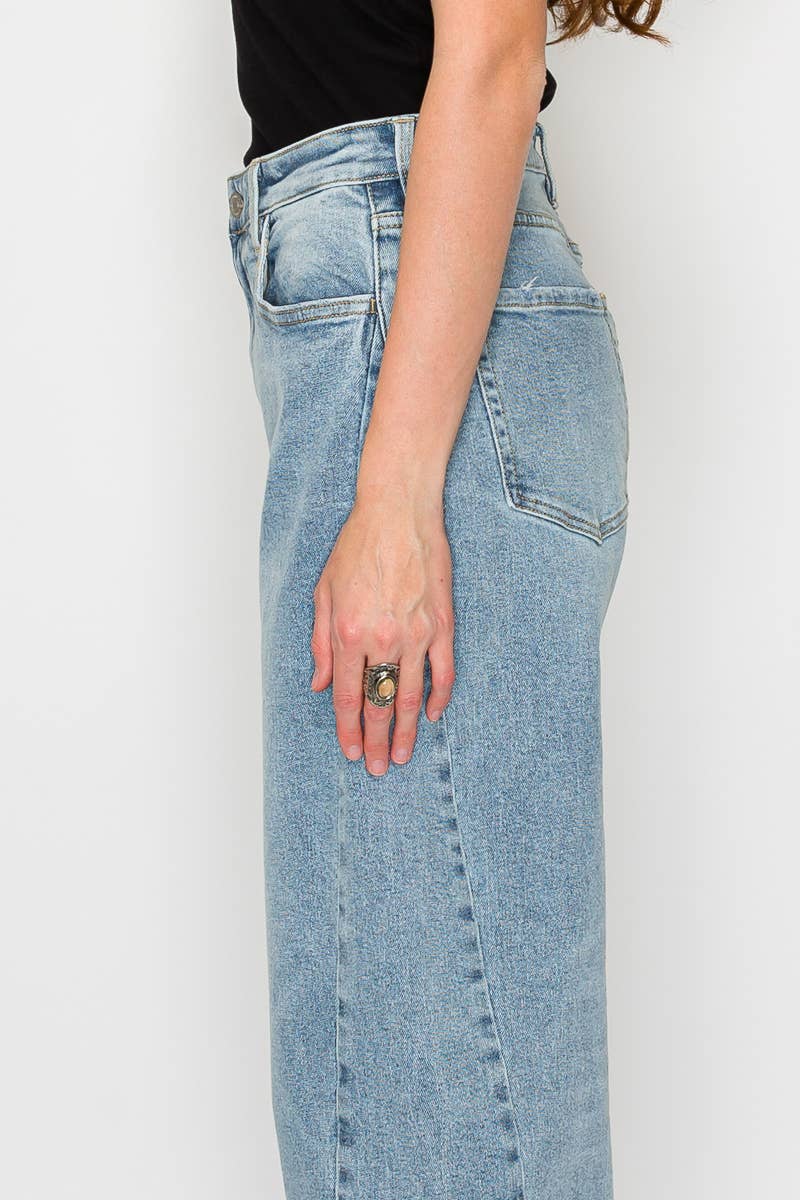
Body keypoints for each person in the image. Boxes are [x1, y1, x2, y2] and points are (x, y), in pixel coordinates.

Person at [225, 2, 664, 1197]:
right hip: (398, 317)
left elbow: (491, 54)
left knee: (431, 1103)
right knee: (420, 1076)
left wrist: (396, 500)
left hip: (411, 365)